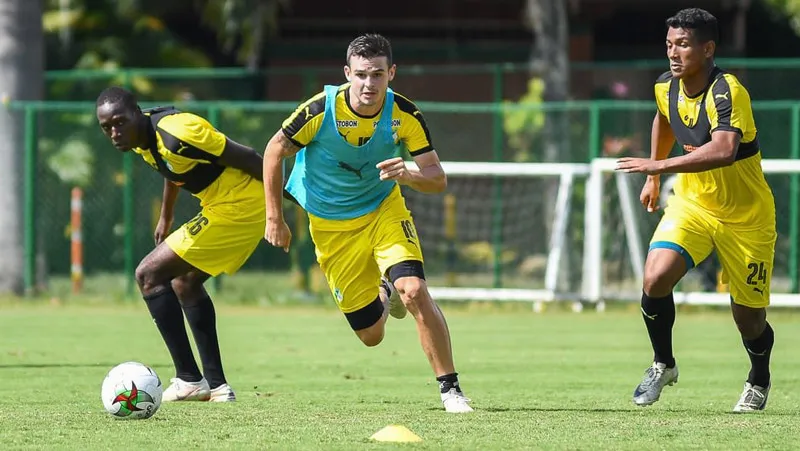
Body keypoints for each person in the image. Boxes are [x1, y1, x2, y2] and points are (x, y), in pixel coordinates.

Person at [262, 33, 473, 413]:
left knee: (414, 290)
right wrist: (274, 216)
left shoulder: (404, 114)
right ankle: (383, 291)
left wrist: (408, 174)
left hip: (383, 212)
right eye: (361, 74)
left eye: (377, 74)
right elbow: (275, 149)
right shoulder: (318, 111)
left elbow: (437, 178)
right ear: (347, 73)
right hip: (331, 227)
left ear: (391, 73)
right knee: (371, 335)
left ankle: (451, 390)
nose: (369, 84)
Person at [616, 8, 776, 412]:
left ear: (708, 49)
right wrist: (653, 178)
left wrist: (658, 166)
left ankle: (759, 377)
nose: (673, 53)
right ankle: (663, 363)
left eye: (683, 45)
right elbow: (665, 118)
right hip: (693, 204)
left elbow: (724, 151)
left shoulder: (728, 91)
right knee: (654, 278)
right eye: (669, 44)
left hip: (747, 218)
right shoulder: (665, 86)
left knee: (749, 319)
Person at [96, 87, 266, 403]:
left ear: (137, 112)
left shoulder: (179, 132)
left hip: (242, 205)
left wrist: (288, 205)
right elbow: (172, 169)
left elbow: (249, 157)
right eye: (107, 127)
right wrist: (166, 216)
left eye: (120, 122)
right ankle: (216, 386)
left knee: (148, 274)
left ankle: (188, 378)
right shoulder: (142, 141)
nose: (115, 132)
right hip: (225, 205)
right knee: (185, 282)